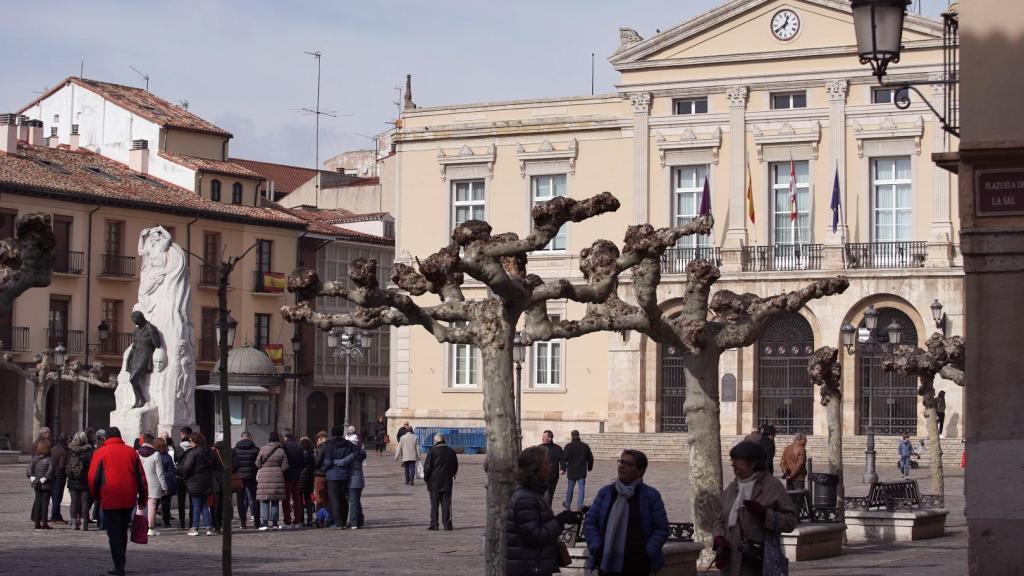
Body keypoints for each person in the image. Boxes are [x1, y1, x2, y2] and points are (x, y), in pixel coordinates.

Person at [713, 440, 798, 576]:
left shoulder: (772, 486)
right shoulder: (731, 489)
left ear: (753, 463)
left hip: (758, 562)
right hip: (730, 564)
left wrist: (765, 514)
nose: (733, 464)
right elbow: (719, 519)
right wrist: (718, 537)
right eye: (732, 460)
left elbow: (790, 522)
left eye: (738, 460)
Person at [583, 450, 669, 576]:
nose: (622, 466)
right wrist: (597, 547)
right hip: (606, 562)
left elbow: (661, 528)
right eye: (621, 462)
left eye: (628, 464)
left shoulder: (650, 495)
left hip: (638, 563)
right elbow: (590, 522)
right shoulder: (606, 492)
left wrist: (648, 551)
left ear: (639, 471)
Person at [505, 445, 577, 576]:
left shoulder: (535, 494)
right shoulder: (525, 498)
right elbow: (534, 536)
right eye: (547, 463)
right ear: (535, 469)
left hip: (535, 565)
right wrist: (559, 521)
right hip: (529, 568)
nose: (550, 467)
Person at [88, 427, 148, 576]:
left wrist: (97, 496)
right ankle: (121, 560)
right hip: (128, 498)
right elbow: (141, 477)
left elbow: (93, 478)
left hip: (109, 497)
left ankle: (118, 564)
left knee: (114, 533)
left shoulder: (100, 452)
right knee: (122, 531)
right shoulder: (131, 452)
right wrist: (143, 497)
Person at [178, 431, 216, 536]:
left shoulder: (193, 452)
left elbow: (187, 467)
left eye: (191, 441)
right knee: (204, 504)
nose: (190, 443)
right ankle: (209, 527)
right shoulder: (209, 451)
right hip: (207, 481)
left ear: (195, 441)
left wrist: (184, 476)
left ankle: (194, 527)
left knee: (196, 505)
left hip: (195, 481)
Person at [318, 425, 355, 529]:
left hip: (332, 475)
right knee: (344, 499)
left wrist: (323, 470)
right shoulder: (348, 444)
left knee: (334, 499)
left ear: (332, 433)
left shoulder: (329, 444)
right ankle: (343, 521)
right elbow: (356, 454)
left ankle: (338, 523)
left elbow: (328, 461)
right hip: (345, 474)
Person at [423, 433, 459, 531]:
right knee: (446, 503)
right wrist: (451, 474)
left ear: (435, 441)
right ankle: (447, 524)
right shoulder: (451, 451)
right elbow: (455, 466)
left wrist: (426, 478)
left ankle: (434, 524)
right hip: (447, 481)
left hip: (434, 482)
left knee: (434, 504)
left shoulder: (432, 451)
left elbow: (427, 467)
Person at [255, 431, 289, 530]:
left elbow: (257, 463)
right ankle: (274, 523)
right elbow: (285, 466)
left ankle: (265, 523)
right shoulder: (281, 450)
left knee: (265, 500)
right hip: (277, 477)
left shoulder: (263, 449)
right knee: (275, 501)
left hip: (264, 477)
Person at [137, 432, 167, 536]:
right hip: (153, 484)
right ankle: (150, 528)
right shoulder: (156, 454)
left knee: (140, 506)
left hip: (140, 483)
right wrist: (164, 486)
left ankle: (139, 528)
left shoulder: (137, 453)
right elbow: (160, 473)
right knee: (152, 507)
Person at [65, 431, 94, 530]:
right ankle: (83, 524)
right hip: (85, 480)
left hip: (72, 479)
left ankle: (73, 523)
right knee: (84, 502)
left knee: (74, 501)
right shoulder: (89, 451)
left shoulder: (70, 450)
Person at [233, 431, 261, 529]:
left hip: (239, 477)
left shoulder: (235, 450)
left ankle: (242, 523)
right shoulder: (256, 450)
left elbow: (234, 464)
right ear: (250, 437)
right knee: (253, 499)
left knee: (240, 500)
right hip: (252, 476)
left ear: (241, 437)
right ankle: (257, 522)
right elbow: (258, 464)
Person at [562, 430, 593, 511]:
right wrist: (589, 467)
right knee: (581, 488)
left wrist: (563, 469)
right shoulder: (585, 446)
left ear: (572, 436)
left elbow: (564, 458)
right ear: (579, 436)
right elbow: (590, 458)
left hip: (571, 471)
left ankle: (568, 504)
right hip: (581, 470)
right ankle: (580, 505)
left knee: (570, 488)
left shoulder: (568, 446)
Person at [27, 438, 54, 530]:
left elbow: (29, 470)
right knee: (44, 504)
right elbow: (50, 471)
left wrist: (34, 479)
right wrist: (43, 479)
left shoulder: (35, 458)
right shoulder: (50, 459)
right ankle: (44, 522)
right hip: (46, 484)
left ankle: (37, 522)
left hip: (37, 484)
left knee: (38, 502)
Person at [345, 426, 368, 529]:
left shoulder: (352, 454)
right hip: (360, 481)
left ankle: (354, 522)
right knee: (357, 501)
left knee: (353, 502)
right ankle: (360, 520)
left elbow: (343, 463)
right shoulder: (360, 453)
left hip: (353, 481)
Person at [282, 430, 305, 528]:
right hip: (297, 475)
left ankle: (287, 521)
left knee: (286, 499)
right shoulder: (299, 446)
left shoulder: (285, 446)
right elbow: (302, 461)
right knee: (297, 499)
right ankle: (297, 521)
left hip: (287, 475)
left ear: (285, 437)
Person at [154, 436, 177, 528]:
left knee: (154, 504)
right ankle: (166, 522)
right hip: (167, 482)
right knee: (166, 504)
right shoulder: (167, 457)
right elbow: (172, 472)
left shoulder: (154, 456)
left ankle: (152, 520)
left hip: (155, 482)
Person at [173, 426, 193, 530]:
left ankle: (182, 523)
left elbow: (175, 460)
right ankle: (191, 523)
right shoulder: (194, 447)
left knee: (181, 501)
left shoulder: (177, 447)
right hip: (191, 476)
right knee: (192, 500)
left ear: (183, 435)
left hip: (180, 475)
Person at [48, 432, 68, 524]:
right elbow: (61, 466)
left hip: (52, 476)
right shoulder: (63, 451)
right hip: (59, 476)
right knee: (57, 497)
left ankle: (56, 515)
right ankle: (55, 516)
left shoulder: (53, 449)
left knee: (54, 496)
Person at [539, 430, 564, 507]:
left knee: (550, 497)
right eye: (542, 437)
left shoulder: (557, 448)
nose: (542, 438)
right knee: (545, 497)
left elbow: (562, 459)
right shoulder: (539, 448)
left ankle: (547, 511)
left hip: (553, 477)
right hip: (542, 477)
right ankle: (544, 512)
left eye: (544, 437)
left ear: (549, 438)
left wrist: (562, 468)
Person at [298, 437, 317, 527]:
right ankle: (310, 519)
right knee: (308, 500)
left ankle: (301, 519)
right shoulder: (312, 456)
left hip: (300, 479)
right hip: (310, 480)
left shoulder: (300, 455)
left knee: (300, 500)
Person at [313, 431, 330, 527]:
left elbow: (316, 463)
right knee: (328, 498)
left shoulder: (320, 448)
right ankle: (329, 518)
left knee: (320, 499)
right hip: (330, 476)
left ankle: (320, 520)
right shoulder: (331, 447)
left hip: (320, 475)